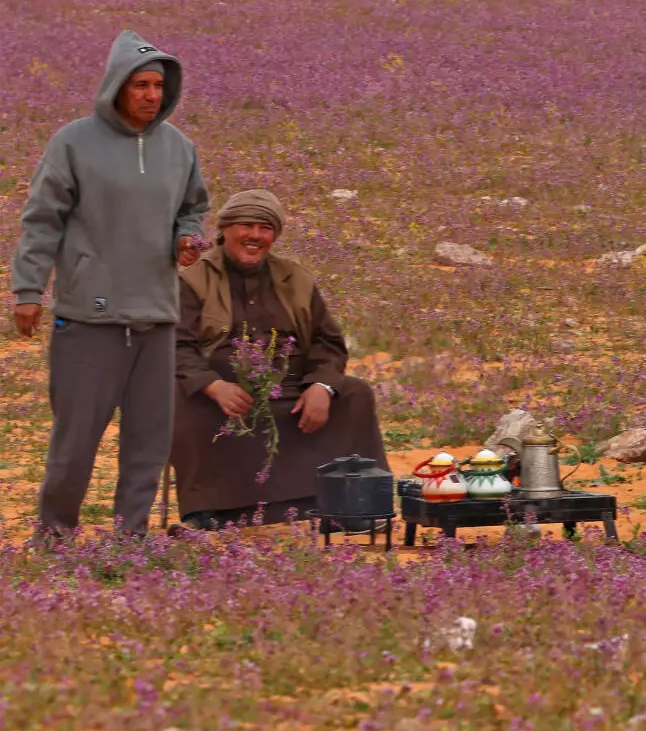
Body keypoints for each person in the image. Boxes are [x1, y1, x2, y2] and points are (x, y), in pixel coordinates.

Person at [11, 32, 211, 537]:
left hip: (157, 316)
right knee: (75, 441)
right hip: (88, 317)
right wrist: (29, 290)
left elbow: (193, 208)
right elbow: (42, 220)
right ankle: (54, 539)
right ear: (116, 86)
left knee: (148, 441)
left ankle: (131, 543)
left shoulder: (179, 148)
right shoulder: (73, 142)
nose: (150, 95)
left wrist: (187, 239)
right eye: (140, 84)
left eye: (158, 86)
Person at [172, 190, 390, 529]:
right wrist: (214, 387)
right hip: (224, 390)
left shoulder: (296, 278)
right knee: (182, 400)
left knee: (354, 395)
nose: (255, 236)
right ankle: (208, 512)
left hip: (290, 386)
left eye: (265, 228)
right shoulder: (193, 279)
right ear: (225, 228)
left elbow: (327, 341)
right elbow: (176, 345)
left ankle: (350, 503)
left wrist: (321, 386)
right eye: (246, 225)